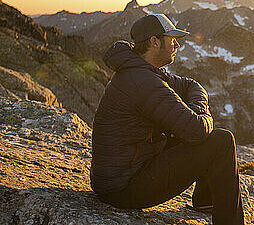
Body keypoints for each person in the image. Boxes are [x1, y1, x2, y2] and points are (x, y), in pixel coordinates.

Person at [90, 13, 244, 225]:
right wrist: (201, 113)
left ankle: (206, 201)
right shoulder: (144, 82)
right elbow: (197, 130)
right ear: (155, 42)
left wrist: (195, 109)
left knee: (200, 135)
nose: (177, 45)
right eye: (172, 40)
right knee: (222, 142)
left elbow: (190, 85)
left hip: (119, 178)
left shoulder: (141, 71)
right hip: (123, 188)